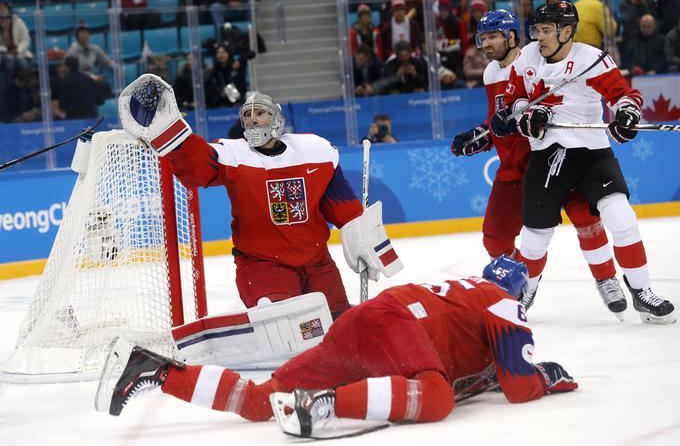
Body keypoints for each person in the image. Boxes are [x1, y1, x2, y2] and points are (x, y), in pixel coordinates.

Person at [96, 256, 578, 438]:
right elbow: (519, 388)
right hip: (397, 326)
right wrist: (545, 377)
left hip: (368, 323)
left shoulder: (466, 291)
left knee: (263, 400)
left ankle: (156, 370)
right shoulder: (501, 302)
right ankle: (322, 406)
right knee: (436, 397)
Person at [116, 75, 403, 319]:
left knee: (340, 322)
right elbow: (198, 168)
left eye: (260, 114)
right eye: (247, 115)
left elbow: (343, 206)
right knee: (285, 324)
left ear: (277, 118)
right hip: (264, 266)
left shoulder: (316, 149)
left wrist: (363, 237)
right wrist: (172, 133)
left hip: (317, 263)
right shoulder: (233, 154)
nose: (253, 120)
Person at [489, 1, 676, 324]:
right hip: (546, 155)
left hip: (591, 154)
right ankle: (525, 291)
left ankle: (642, 291)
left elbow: (623, 95)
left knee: (622, 218)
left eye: (546, 31)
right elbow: (514, 98)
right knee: (534, 238)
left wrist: (627, 114)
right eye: (536, 30)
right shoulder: (527, 58)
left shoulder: (592, 60)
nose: (539, 37)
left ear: (566, 32)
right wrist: (527, 115)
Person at [451, 10, 626, 318]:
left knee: (587, 221)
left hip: (551, 159)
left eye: (492, 36)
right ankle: (520, 281)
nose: (485, 44)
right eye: (483, 38)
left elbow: (552, 111)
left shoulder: (536, 61)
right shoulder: (491, 72)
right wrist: (485, 134)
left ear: (511, 36)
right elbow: (501, 116)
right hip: (512, 168)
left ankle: (606, 278)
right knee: (495, 236)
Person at [204, 43, 248, 108]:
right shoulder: (216, 69)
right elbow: (208, 85)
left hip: (239, 100)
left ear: (228, 53)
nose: (221, 55)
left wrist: (240, 61)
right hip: (222, 102)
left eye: (223, 52)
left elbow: (251, 53)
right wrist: (219, 91)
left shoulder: (236, 65)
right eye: (218, 53)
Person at [0, 1, 32, 80]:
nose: (1, 10)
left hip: (19, 51)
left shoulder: (18, 22)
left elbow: (25, 39)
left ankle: (25, 86)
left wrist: (18, 50)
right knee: (10, 61)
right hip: (2, 53)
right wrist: (7, 50)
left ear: (8, 10)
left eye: (3, 8)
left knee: (22, 62)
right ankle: (8, 88)